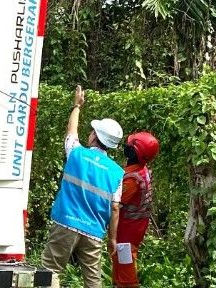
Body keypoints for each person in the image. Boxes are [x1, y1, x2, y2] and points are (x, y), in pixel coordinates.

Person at [41, 86, 125, 288]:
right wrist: (112, 239)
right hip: (94, 231)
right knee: (93, 279)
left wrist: (77, 106)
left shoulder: (76, 154)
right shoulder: (117, 172)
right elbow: (114, 208)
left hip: (66, 223)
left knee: (50, 271)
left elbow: (71, 133)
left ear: (95, 136)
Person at [113, 131, 159, 288]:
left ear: (135, 151)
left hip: (127, 230)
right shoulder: (142, 171)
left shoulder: (132, 179)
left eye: (129, 145)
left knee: (126, 264)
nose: (126, 147)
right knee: (122, 262)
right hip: (136, 226)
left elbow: (115, 203)